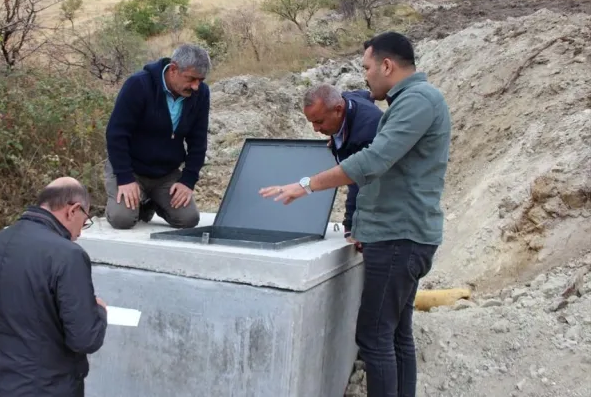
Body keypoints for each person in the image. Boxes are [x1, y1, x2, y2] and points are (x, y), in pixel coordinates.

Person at [259, 31, 451, 397]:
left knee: (375, 336)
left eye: (366, 67)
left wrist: (307, 184)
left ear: (387, 65)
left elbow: (373, 161)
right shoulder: (409, 101)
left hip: (398, 238)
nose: (365, 76)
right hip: (399, 235)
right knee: (395, 334)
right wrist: (359, 223)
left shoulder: (418, 101)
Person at [0, 177, 108, 397]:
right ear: (73, 210)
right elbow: (85, 338)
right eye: (84, 222)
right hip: (47, 388)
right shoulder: (68, 255)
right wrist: (99, 311)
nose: (80, 233)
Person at [104, 44, 212, 230]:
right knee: (122, 219)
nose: (195, 86)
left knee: (189, 219)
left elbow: (198, 141)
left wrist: (188, 181)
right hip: (131, 168)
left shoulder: (201, 94)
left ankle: (153, 202)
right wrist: (124, 178)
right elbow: (116, 134)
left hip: (166, 174)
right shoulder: (139, 85)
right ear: (173, 69)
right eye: (191, 79)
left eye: (200, 80)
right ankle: (137, 201)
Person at [301, 83, 383, 248]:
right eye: (312, 122)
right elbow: (364, 95)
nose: (315, 129)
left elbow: (361, 183)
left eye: (319, 121)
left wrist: (353, 226)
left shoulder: (367, 133)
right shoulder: (346, 101)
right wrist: (337, 134)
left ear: (338, 110)